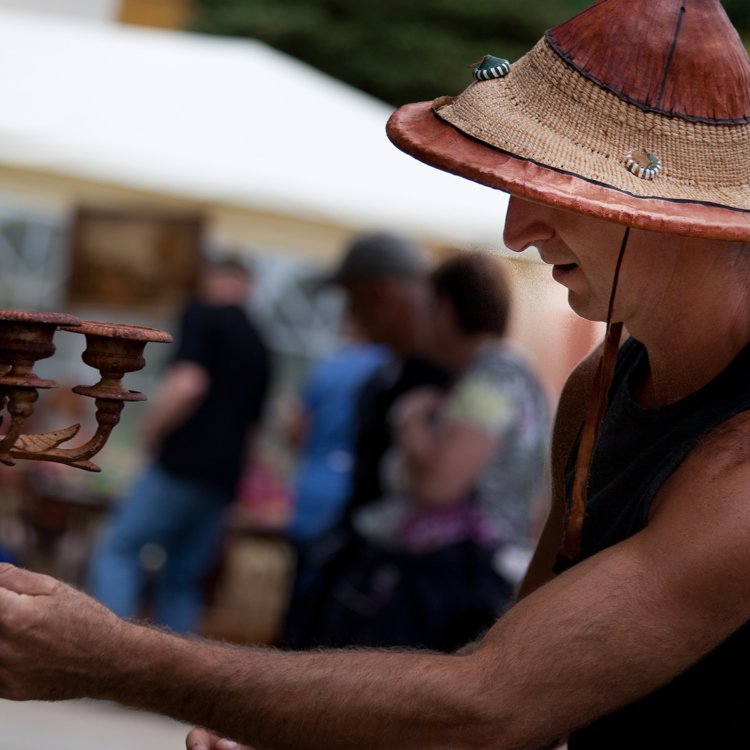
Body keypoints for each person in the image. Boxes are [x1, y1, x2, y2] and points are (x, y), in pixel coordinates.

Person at [1, 1, 750, 747]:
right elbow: (516, 697)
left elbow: (491, 708)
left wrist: (116, 659)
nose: (515, 230)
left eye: (559, 189)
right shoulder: (599, 384)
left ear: (678, 209)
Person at [311, 251, 548, 650]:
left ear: (444, 308)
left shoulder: (494, 376)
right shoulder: (500, 373)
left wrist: (409, 422)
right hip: (465, 575)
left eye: (424, 306)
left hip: (453, 583)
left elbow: (440, 485)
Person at [282, 232, 453, 646]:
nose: (350, 312)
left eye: (352, 298)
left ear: (380, 293)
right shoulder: (384, 376)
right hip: (350, 557)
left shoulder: (441, 375)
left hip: (397, 587)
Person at [87, 258, 270, 633]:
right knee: (182, 578)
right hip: (223, 478)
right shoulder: (260, 343)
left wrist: (151, 430)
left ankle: (105, 652)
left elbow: (189, 384)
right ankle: (174, 680)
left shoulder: (204, 314)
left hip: (180, 464)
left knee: (120, 548)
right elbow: (255, 429)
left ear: (215, 279)